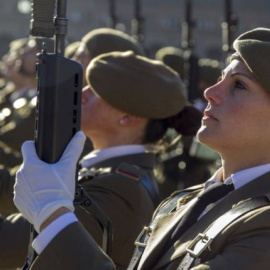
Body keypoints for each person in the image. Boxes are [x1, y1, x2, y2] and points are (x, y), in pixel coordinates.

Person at [13, 27, 270, 270]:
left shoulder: (262, 224)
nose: (211, 93)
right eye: (220, 78)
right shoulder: (181, 202)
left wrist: (53, 217)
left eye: (239, 85)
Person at [2, 51, 201, 269]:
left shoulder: (120, 191)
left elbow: (12, 242)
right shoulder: (106, 172)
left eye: (96, 91)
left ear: (128, 118)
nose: (83, 93)